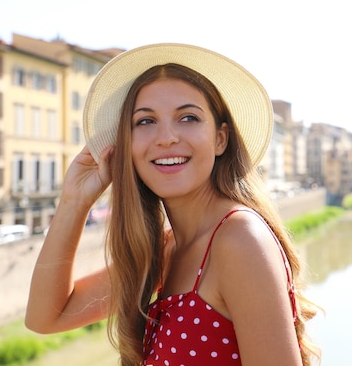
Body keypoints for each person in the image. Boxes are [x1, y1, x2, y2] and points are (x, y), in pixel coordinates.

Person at [25, 43, 319, 366]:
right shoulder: (166, 251)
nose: (166, 137)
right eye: (145, 122)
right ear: (127, 145)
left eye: (188, 117)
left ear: (221, 138)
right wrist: (73, 200)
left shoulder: (239, 240)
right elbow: (45, 317)